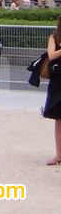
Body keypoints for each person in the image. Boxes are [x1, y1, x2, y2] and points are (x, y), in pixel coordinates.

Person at [42, 16, 61, 164]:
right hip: (58, 82)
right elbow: (51, 55)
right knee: (59, 119)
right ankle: (59, 154)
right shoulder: (54, 37)